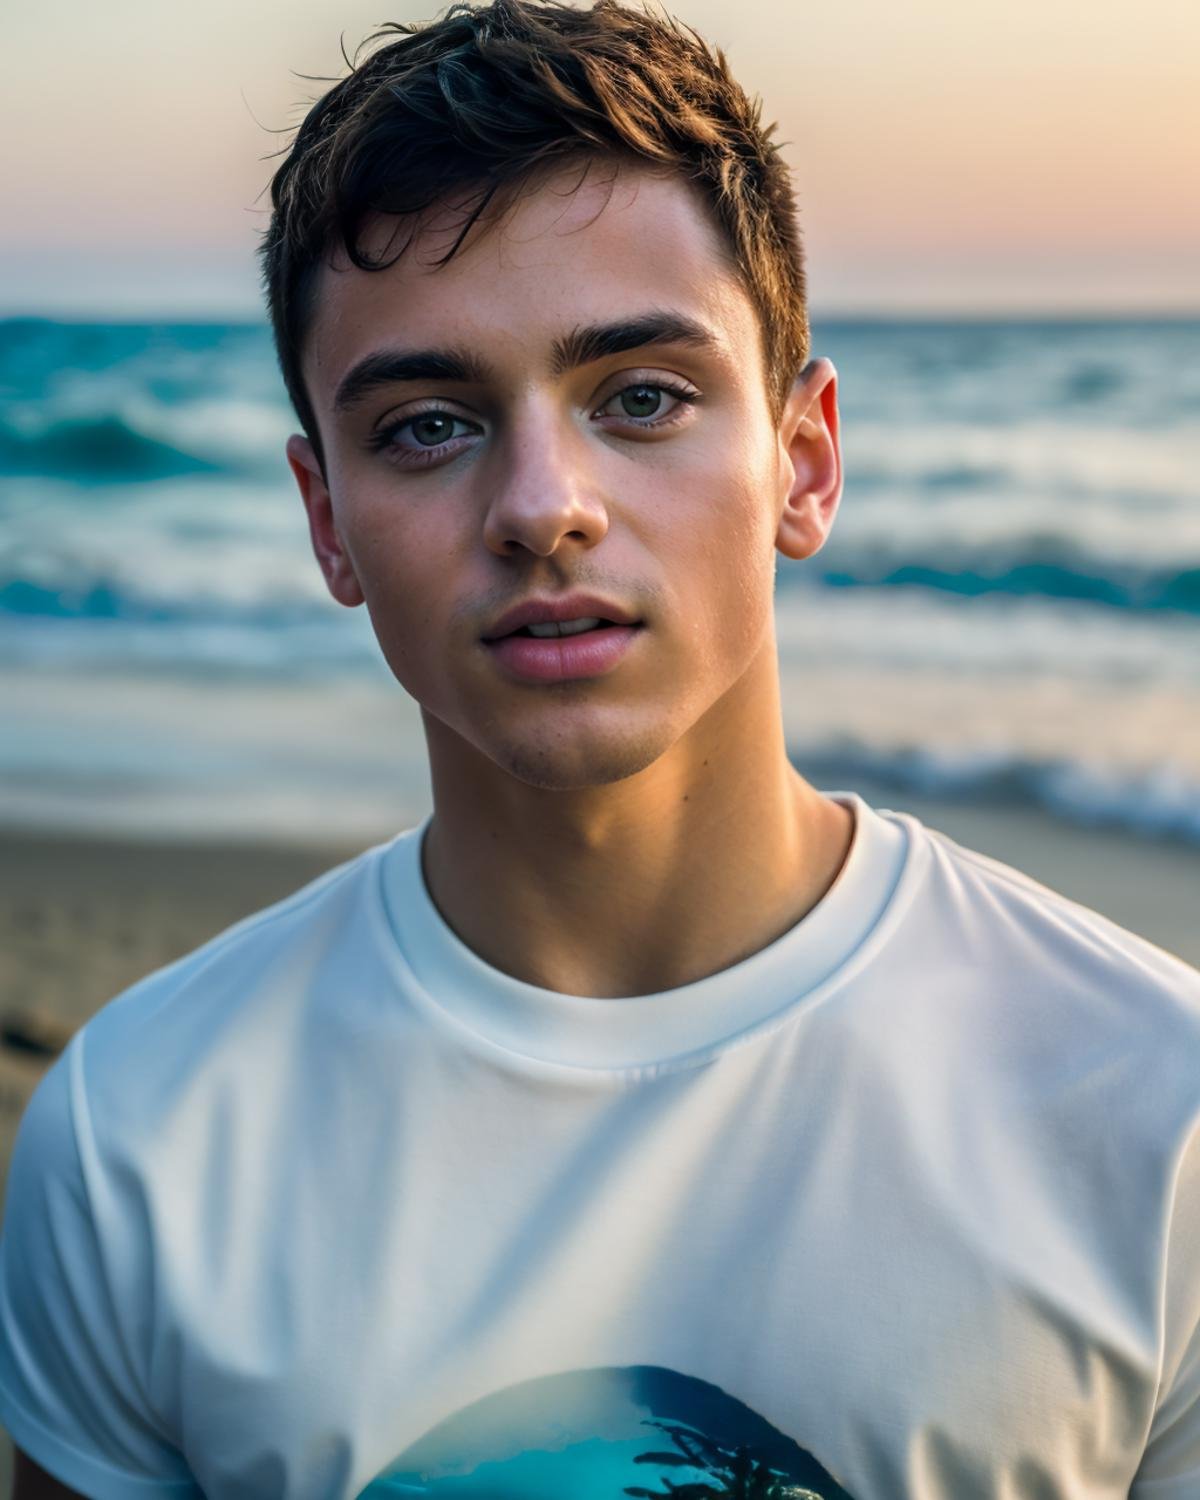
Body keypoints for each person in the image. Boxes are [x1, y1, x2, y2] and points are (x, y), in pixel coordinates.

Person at [3, 0, 1199, 1494]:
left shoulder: (1156, 1113)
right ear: (328, 522)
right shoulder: (145, 1138)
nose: (542, 503)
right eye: (429, 424)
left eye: (642, 398)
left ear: (805, 461)